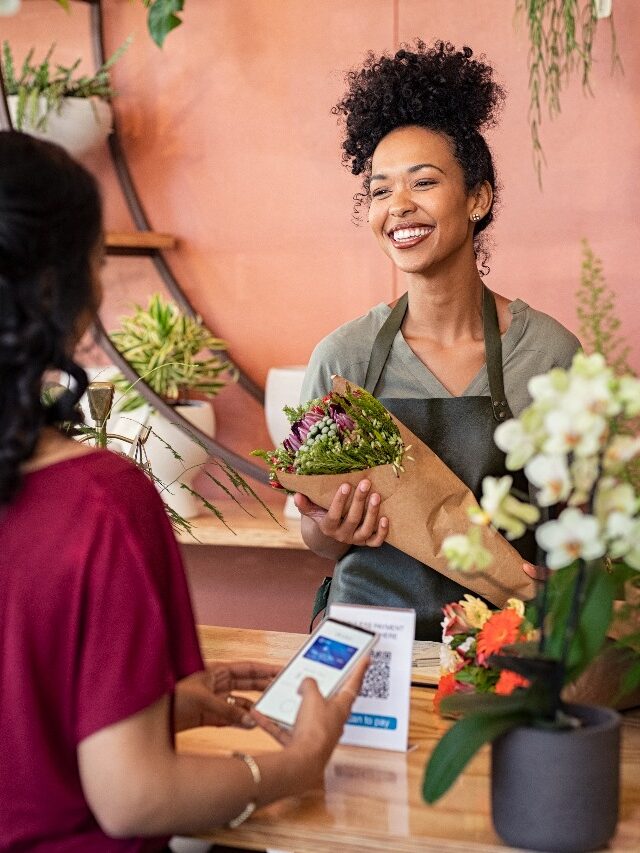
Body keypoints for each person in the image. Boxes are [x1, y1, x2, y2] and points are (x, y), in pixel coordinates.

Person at [0, 131, 366, 852]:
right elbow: (132, 797)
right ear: (57, 290)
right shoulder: (101, 503)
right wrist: (296, 763)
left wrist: (156, 707)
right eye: (97, 264)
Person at [296, 41, 581, 640]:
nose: (398, 206)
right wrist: (332, 526)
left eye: (423, 182)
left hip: (503, 652)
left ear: (477, 198)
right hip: (369, 643)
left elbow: (581, 531)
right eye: (378, 191)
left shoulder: (549, 356)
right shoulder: (344, 360)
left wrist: (565, 579)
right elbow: (317, 541)